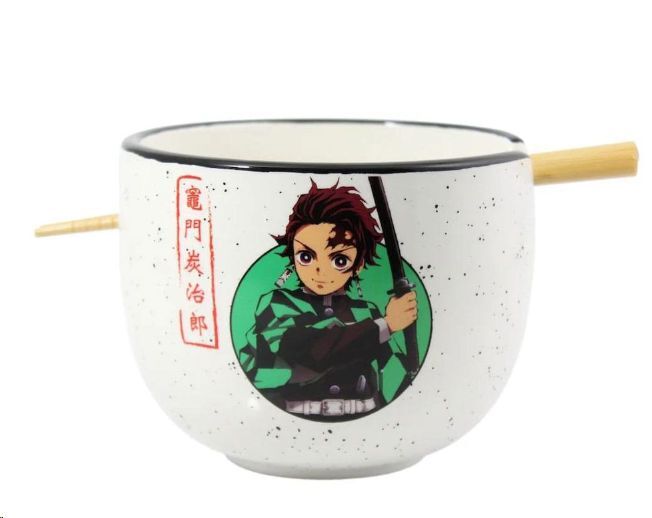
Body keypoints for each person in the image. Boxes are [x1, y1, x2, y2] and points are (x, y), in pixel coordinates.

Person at [238, 180, 418, 420]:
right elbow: (305, 348)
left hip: (365, 414)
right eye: (306, 256)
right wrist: (388, 325)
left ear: (358, 265)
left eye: (339, 260)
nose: (320, 271)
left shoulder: (366, 311)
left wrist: (410, 367)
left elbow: (392, 371)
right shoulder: (277, 303)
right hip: (288, 414)